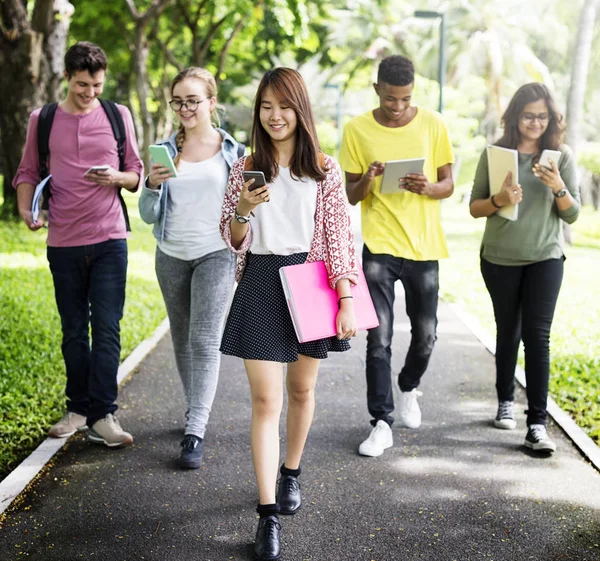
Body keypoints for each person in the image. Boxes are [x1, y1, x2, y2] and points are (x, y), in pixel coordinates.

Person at [219, 67, 357, 561]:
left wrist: (345, 298)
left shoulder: (322, 167)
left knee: (302, 390)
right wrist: (241, 209)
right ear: (258, 112)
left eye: (285, 106)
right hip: (260, 281)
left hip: (311, 281)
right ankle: (267, 515)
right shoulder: (246, 166)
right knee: (265, 402)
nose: (275, 116)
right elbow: (232, 239)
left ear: (301, 110)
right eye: (266, 106)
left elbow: (340, 238)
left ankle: (291, 472)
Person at [13, 42, 143, 447]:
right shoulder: (44, 118)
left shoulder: (117, 115)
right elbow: (27, 171)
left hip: (108, 239)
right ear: (67, 77)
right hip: (64, 241)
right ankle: (77, 408)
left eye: (97, 85)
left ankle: (103, 415)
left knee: (106, 328)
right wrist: (25, 211)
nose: (90, 93)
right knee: (73, 331)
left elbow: (136, 172)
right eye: (83, 84)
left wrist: (116, 178)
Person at [339, 55, 454, 457]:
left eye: (405, 99)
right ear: (377, 91)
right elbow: (350, 195)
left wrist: (429, 188)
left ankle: (408, 388)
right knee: (379, 338)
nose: (398, 106)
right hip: (380, 246)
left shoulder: (434, 124)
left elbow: (449, 184)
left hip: (423, 246)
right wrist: (368, 179)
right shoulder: (356, 130)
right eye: (391, 99)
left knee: (426, 336)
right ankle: (381, 422)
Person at [138, 67, 242, 469]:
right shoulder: (163, 150)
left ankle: (195, 429)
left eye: (193, 100)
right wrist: (152, 184)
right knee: (180, 338)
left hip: (216, 252)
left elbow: (243, 206)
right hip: (171, 254)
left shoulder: (233, 151)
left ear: (211, 102)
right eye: (178, 101)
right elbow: (149, 215)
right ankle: (192, 408)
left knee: (203, 339)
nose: (185, 108)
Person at [469, 83, 580, 454]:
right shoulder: (497, 154)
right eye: (529, 115)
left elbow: (574, 214)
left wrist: (559, 187)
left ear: (551, 119)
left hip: (545, 257)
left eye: (542, 116)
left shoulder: (561, 157)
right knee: (508, 331)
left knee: (538, 337)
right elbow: (475, 207)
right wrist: (500, 199)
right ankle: (504, 400)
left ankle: (536, 424)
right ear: (516, 116)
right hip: (500, 257)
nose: (535, 122)